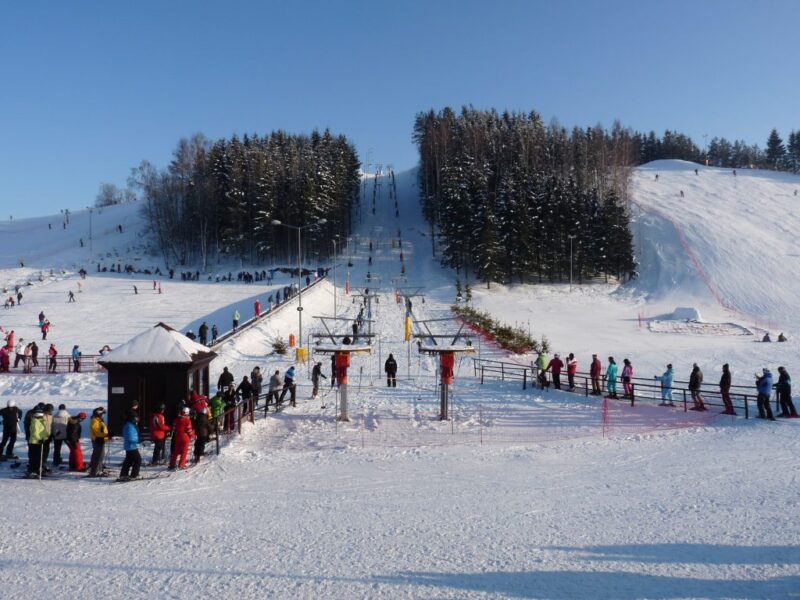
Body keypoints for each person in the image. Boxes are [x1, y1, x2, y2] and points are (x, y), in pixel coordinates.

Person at [118, 412, 141, 481]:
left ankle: (123, 474)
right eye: (135, 418)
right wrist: (137, 440)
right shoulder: (129, 426)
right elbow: (130, 438)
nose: (137, 420)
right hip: (131, 446)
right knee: (138, 460)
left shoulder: (129, 425)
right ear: (132, 418)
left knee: (128, 460)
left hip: (130, 446)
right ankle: (134, 475)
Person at [88, 407, 109, 477]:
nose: (103, 415)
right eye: (102, 413)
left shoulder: (99, 420)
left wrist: (107, 436)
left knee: (100, 455)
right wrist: (106, 435)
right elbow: (97, 432)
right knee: (98, 456)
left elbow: (102, 430)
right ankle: (95, 472)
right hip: (98, 440)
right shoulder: (95, 421)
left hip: (100, 440)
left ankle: (97, 470)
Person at [27, 409, 48, 477]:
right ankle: (32, 470)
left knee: (38, 457)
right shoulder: (35, 422)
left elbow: (43, 432)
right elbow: (35, 433)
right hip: (35, 442)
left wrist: (45, 438)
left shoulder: (41, 421)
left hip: (39, 442)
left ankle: (37, 469)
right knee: (34, 457)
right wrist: (39, 439)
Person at [192, 398, 210, 463]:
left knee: (197, 443)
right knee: (201, 444)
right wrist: (211, 431)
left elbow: (194, 424)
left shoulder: (197, 418)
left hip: (198, 433)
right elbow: (209, 426)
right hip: (204, 434)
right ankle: (199, 456)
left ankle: (196, 454)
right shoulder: (205, 419)